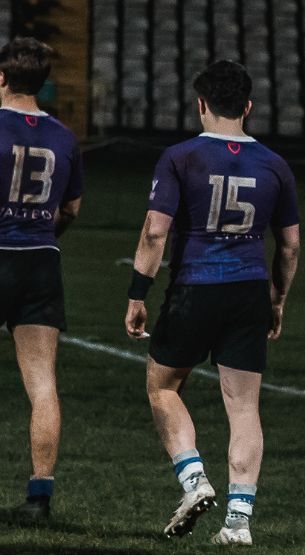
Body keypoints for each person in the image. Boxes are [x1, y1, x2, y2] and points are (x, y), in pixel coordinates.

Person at [125, 60, 301, 546]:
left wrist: (137, 293)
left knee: (162, 387)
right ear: (248, 107)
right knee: (243, 406)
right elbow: (289, 246)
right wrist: (278, 299)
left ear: (201, 104)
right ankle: (239, 521)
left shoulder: (180, 157)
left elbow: (155, 232)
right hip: (249, 290)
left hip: (195, 287)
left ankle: (194, 479)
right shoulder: (275, 164)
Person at [0, 37, 81, 522]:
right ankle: (39, 498)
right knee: (43, 383)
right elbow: (70, 208)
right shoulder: (65, 137)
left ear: (1, 78)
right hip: (40, 260)